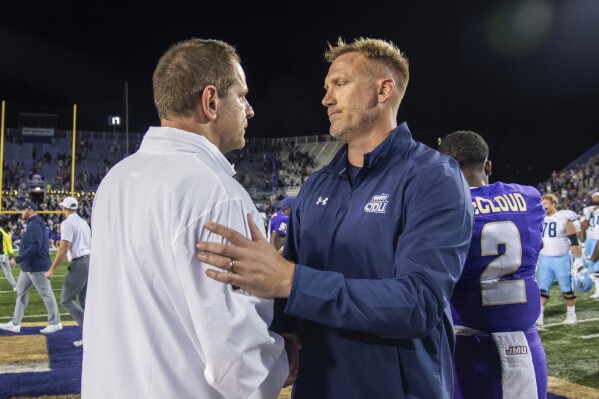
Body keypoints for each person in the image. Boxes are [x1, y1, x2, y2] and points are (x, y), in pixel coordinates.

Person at [197, 38, 474, 398]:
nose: (327, 98)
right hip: (317, 387)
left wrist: (291, 282)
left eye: (340, 84)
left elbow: (418, 304)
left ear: (383, 90)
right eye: (326, 88)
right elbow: (290, 293)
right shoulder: (315, 185)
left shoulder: (433, 176)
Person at [81, 38, 293, 399]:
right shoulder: (215, 192)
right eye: (241, 96)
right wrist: (287, 358)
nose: (250, 109)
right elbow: (236, 362)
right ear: (211, 102)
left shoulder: (117, 177)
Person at [438, 130, 547, 399]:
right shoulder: (529, 197)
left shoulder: (442, 208)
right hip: (526, 344)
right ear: (487, 166)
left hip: (466, 344)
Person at [0, 201, 62, 334]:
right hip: (28, 267)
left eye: (23, 210)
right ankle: (15, 323)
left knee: (46, 293)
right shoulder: (33, 223)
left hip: (37, 266)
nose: (21, 213)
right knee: (21, 292)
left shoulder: (34, 224)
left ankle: (55, 322)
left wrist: (17, 259)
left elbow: (36, 246)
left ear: (30, 210)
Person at [45, 196, 91, 347]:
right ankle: (91, 335)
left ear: (64, 208)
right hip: (89, 260)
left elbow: (64, 249)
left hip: (79, 262)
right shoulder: (83, 222)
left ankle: (91, 332)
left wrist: (51, 270)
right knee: (85, 301)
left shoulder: (67, 223)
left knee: (66, 299)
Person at [537, 193, 582, 325]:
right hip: (545, 259)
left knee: (566, 288)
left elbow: (574, 241)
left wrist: (577, 259)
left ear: (554, 204)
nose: (543, 206)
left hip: (561, 259)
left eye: (546, 203)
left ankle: (571, 314)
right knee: (542, 288)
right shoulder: (540, 218)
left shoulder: (563, 217)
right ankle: (539, 315)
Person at [581, 191, 599, 298]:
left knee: (596, 265)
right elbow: (584, 226)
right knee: (590, 264)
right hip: (591, 238)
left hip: (598, 238)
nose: (596, 197)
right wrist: (587, 217)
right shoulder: (590, 210)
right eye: (595, 196)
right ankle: (597, 289)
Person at [0, 217, 17, 291]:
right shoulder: (0, 231)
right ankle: (15, 286)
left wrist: (11, 256)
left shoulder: (8, 232)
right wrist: (1, 253)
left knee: (6, 270)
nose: (10, 225)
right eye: (9, 223)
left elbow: (9, 244)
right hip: (2, 254)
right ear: (6, 224)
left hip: (6, 254)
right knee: (7, 271)